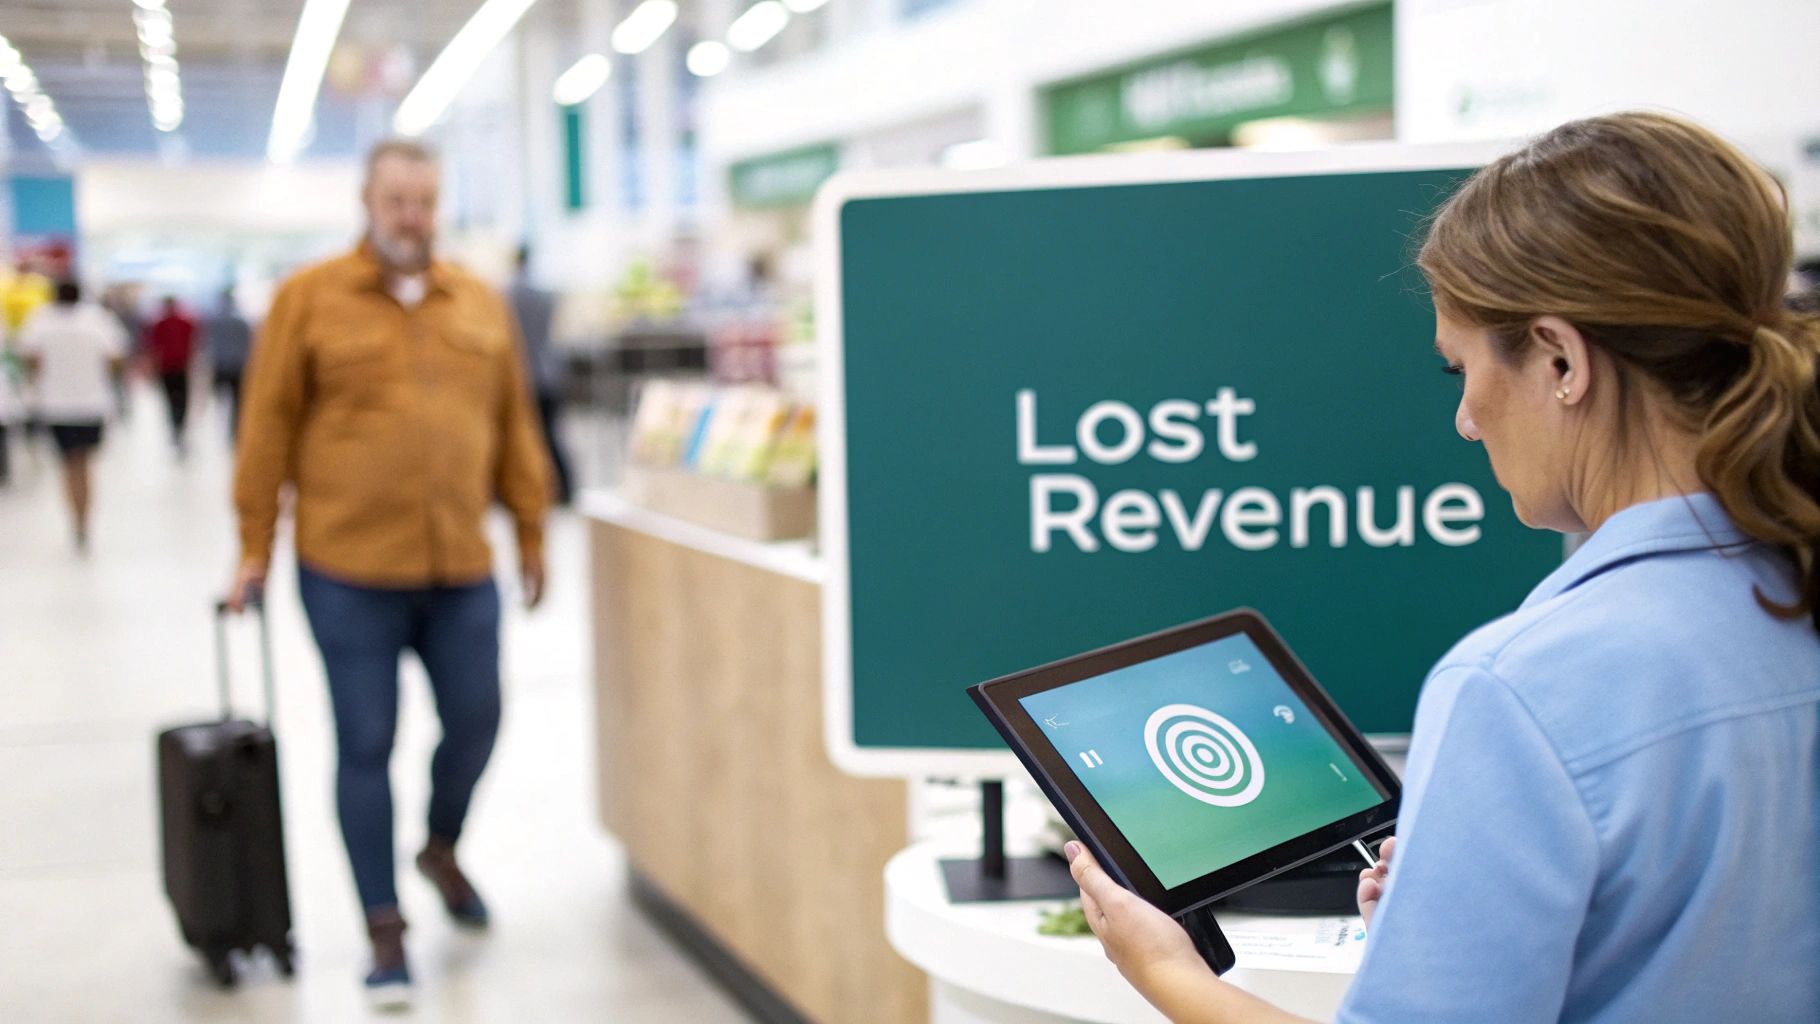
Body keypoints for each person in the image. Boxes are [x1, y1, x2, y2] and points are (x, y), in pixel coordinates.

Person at [1062, 112, 1819, 1023]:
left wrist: (1167, 973)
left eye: (1459, 368)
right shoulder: (1788, 588)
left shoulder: (1523, 689)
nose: (1465, 418)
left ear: (1559, 357)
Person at [228, 139, 551, 1009]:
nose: (412, 215)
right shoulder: (309, 299)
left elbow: (514, 421)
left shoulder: (477, 303)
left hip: (459, 567)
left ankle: (441, 846)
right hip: (349, 569)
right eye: (397, 199)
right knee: (365, 742)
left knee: (478, 719)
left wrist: (530, 528)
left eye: (425, 200)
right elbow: (266, 426)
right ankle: (384, 926)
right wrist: (253, 545)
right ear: (368, 201)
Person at [17, 280, 128, 550]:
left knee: (68, 464)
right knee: (85, 464)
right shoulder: (97, 319)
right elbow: (116, 358)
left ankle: (75, 518)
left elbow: (29, 358)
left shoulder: (41, 320)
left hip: (56, 405)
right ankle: (84, 518)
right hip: (92, 404)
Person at [506, 246, 573, 503]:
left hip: (527, 375)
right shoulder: (543, 295)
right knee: (552, 434)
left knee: (532, 438)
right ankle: (565, 488)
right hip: (550, 371)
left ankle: (542, 490)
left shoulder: (508, 294)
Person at [143, 296, 197, 454]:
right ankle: (179, 426)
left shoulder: (159, 324)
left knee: (171, 399)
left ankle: (175, 426)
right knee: (182, 399)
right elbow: (193, 344)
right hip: (180, 366)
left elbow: (152, 346)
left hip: (167, 367)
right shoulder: (186, 322)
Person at [204, 287, 253, 440]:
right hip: (238, 366)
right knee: (237, 402)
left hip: (221, 365)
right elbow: (249, 345)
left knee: (221, 399)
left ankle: (224, 427)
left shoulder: (214, 321)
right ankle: (234, 429)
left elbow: (209, 344)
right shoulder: (242, 321)